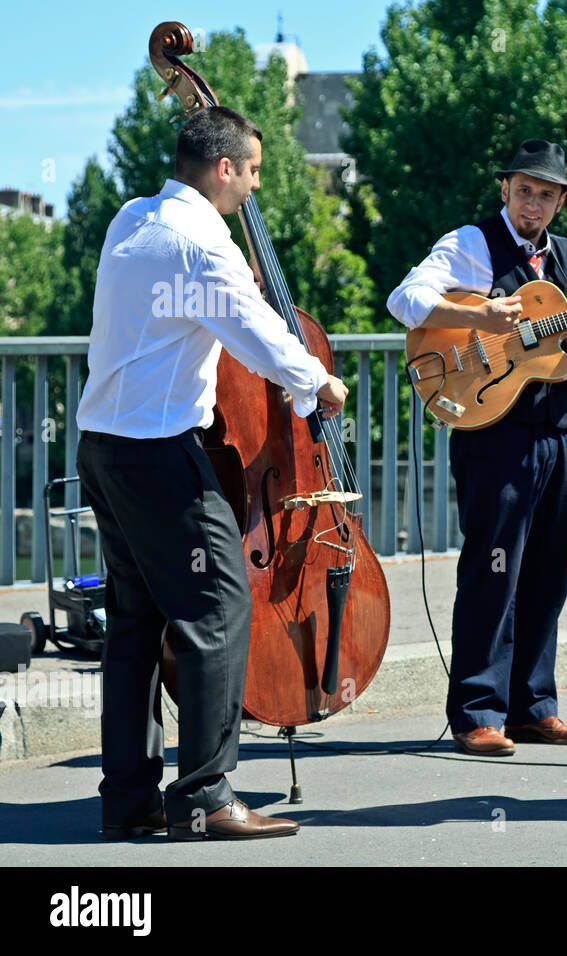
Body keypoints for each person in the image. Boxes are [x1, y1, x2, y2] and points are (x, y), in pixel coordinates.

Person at [77, 106, 349, 840]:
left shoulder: (133, 218)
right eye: (252, 171)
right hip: (159, 453)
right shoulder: (203, 242)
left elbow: (203, 307)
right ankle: (203, 798)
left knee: (135, 624)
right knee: (221, 612)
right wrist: (316, 380)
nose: (255, 186)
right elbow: (258, 335)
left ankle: (129, 800)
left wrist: (239, 279)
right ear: (223, 167)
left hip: (102, 449)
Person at [388, 140, 567, 756]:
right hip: (492, 428)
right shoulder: (469, 242)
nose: (534, 203)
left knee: (550, 570)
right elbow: (405, 299)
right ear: (505, 191)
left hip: (558, 430)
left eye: (547, 194)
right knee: (493, 567)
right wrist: (484, 315)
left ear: (561, 201)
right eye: (525, 190)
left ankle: (532, 707)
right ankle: (475, 713)